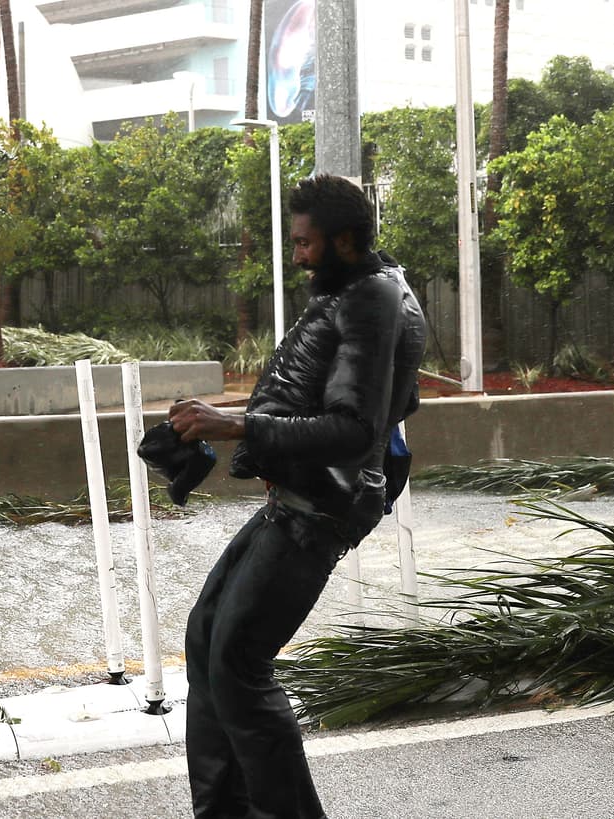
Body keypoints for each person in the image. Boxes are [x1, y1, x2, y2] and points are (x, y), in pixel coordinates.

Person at [168, 173, 427, 819]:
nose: (299, 255)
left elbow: (354, 429)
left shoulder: (373, 301)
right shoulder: (359, 288)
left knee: (238, 663)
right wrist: (227, 418)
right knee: (206, 639)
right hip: (297, 498)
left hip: (319, 510)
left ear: (344, 238)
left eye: (307, 242)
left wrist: (237, 425)